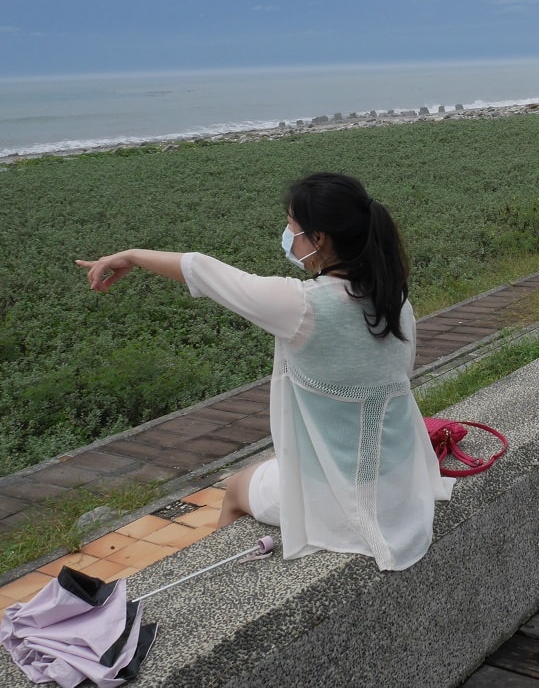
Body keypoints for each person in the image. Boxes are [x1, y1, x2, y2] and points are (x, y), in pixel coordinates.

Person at [77, 172, 453, 572]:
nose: (289, 235)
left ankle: (219, 581)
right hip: (401, 485)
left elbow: (205, 271)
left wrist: (132, 255)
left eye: (293, 227)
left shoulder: (303, 306)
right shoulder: (394, 297)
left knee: (236, 487)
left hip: (345, 499)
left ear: (319, 238)